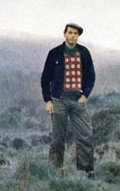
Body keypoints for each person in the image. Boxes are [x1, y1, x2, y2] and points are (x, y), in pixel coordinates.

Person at [41, 23, 96, 177]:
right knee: (58, 138)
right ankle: (54, 170)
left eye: (75, 33)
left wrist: (84, 95)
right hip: (59, 100)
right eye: (70, 33)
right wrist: (48, 100)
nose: (72, 36)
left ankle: (87, 171)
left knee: (85, 135)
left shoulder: (84, 52)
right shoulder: (55, 53)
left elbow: (91, 76)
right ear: (64, 34)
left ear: (78, 36)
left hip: (78, 101)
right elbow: (45, 78)